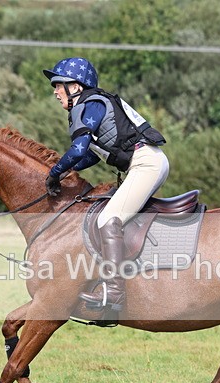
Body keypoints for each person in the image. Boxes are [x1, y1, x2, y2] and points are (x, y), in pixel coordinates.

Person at [43, 57, 169, 313]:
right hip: (148, 161)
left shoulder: (89, 104)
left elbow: (78, 149)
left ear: (76, 86)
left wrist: (56, 173)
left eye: (58, 84)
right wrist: (67, 171)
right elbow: (90, 155)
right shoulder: (93, 104)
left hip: (146, 164)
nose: (55, 92)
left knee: (107, 219)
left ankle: (114, 292)